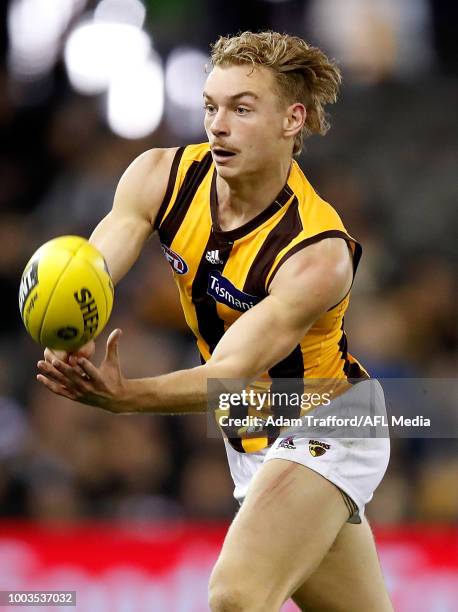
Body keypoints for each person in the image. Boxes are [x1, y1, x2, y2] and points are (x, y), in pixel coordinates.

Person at [37, 31, 393, 611]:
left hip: (329, 423)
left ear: (291, 120)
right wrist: (70, 328)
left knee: (236, 596)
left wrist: (125, 398)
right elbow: (92, 266)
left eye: (241, 109)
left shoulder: (316, 253)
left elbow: (228, 371)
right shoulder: (161, 175)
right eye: (211, 106)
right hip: (253, 439)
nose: (217, 125)